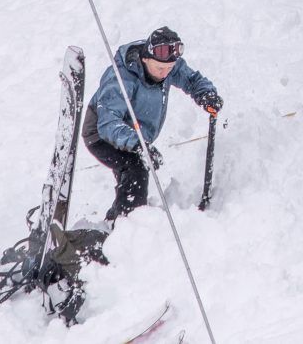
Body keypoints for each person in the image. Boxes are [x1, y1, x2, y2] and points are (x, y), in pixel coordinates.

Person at [82, 27, 223, 222]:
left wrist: (205, 94)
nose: (165, 73)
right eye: (160, 69)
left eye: (169, 69)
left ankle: (115, 223)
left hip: (136, 136)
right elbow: (108, 122)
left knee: (132, 175)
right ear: (145, 58)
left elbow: (191, 79)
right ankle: (129, 227)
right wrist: (139, 145)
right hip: (101, 133)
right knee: (136, 168)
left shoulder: (166, 64)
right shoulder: (122, 77)